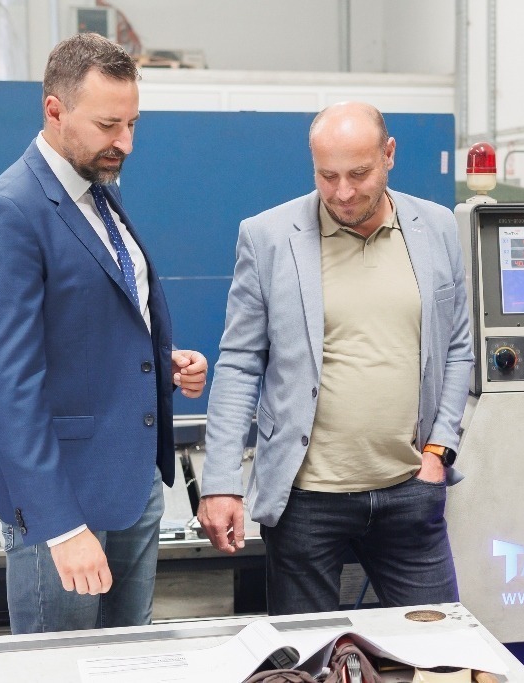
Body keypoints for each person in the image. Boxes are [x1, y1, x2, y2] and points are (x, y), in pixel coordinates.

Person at [0, 33, 207, 634]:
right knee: (61, 665)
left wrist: (162, 361)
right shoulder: (10, 211)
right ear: (55, 110)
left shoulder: (97, 193)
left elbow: (92, 324)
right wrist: (61, 526)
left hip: (133, 484)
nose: (125, 142)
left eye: (132, 124)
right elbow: (9, 388)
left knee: (129, 659)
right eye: (107, 125)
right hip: (63, 500)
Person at [198, 101, 473, 616]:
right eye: (327, 176)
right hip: (306, 502)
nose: (343, 193)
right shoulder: (268, 237)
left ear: (389, 155)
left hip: (409, 492)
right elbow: (239, 364)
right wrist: (220, 482)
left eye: (359, 174)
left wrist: (439, 451)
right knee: (310, 654)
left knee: (438, 645)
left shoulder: (435, 228)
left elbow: (458, 347)